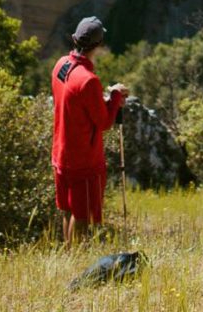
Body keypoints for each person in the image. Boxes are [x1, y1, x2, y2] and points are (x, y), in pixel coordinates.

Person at [51, 16, 129, 243]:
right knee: (82, 215)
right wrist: (114, 97)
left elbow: (75, 105)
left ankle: (68, 255)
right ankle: (76, 261)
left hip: (60, 151)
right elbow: (103, 123)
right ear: (98, 45)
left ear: (75, 39)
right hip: (83, 158)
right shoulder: (88, 80)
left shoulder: (61, 65)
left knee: (67, 209)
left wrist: (103, 100)